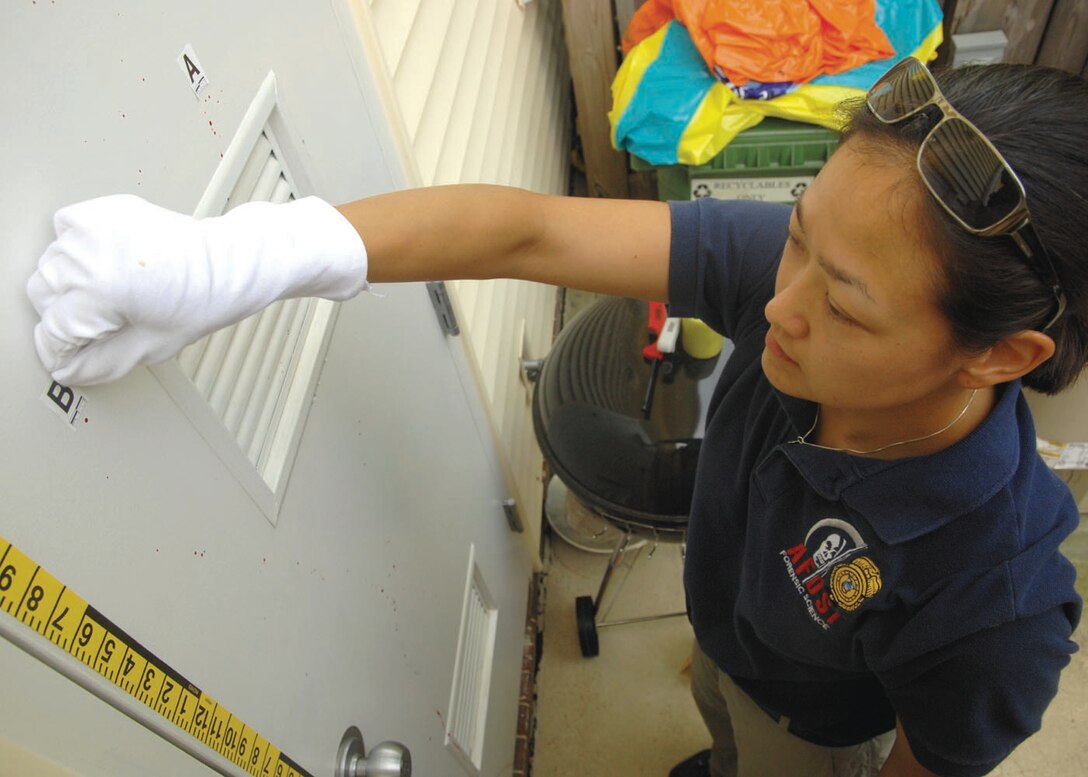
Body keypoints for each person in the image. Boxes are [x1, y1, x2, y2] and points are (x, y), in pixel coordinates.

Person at [27, 57, 1085, 777]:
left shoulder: (996, 600)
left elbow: (927, 766)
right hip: (730, 630)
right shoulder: (798, 282)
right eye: (797, 233)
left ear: (1000, 355)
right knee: (718, 700)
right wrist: (246, 258)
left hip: (817, 730)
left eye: (842, 303)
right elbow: (530, 235)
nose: (775, 304)